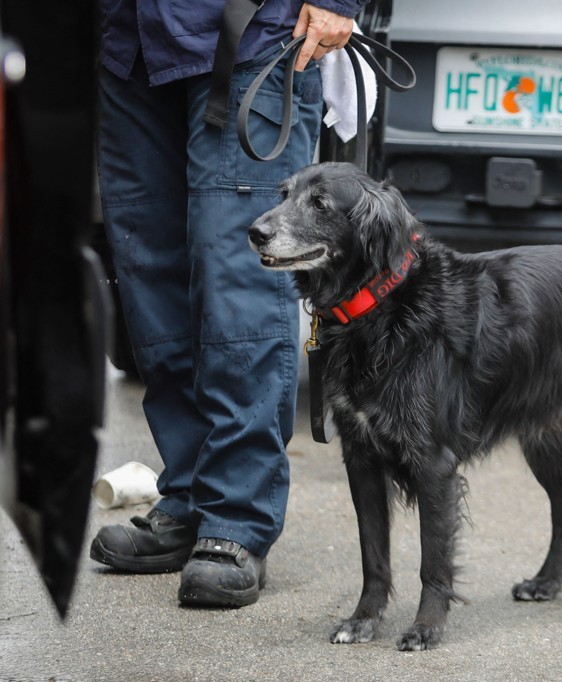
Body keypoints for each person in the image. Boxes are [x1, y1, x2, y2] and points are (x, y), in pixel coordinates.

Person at [90, 0, 371, 607]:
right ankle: (191, 497)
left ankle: (236, 521)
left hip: (248, 34)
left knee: (239, 278)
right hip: (130, 42)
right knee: (150, 276)